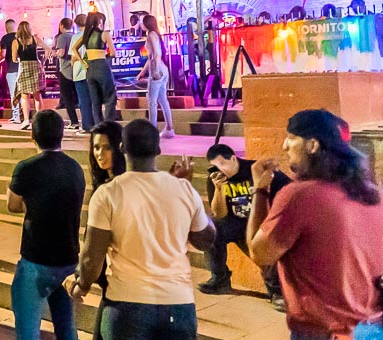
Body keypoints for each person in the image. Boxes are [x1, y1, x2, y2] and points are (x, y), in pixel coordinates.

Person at [65, 120, 216, 340]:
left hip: (126, 305)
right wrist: (191, 202)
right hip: (177, 304)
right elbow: (205, 239)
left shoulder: (108, 194)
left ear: (122, 148)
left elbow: (92, 256)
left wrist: (82, 285)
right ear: (158, 150)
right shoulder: (183, 189)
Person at [247, 110, 383, 339]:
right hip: (370, 328)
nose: (284, 145)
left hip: (324, 330)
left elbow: (260, 253)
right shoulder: (372, 193)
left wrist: (260, 190)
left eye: (291, 137)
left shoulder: (299, 196)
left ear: (312, 145)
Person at [8, 110, 86, 340]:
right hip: (68, 258)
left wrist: (34, 205)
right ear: (61, 134)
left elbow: (13, 204)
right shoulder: (75, 168)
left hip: (36, 259)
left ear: (33, 135)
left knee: (28, 328)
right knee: (66, 325)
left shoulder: (26, 168)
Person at [199, 143, 288, 309]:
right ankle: (219, 279)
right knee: (211, 228)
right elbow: (219, 213)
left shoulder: (254, 170)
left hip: (262, 222)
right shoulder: (215, 178)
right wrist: (219, 189)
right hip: (235, 222)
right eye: (216, 166)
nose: (221, 169)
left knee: (269, 247)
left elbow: (289, 189)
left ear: (233, 158)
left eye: (223, 164)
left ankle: (277, 292)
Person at [88, 120, 126, 340]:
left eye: (106, 147)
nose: (100, 154)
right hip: (110, 283)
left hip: (121, 282)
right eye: (96, 147)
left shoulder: (118, 187)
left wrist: (82, 281)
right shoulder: (104, 184)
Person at [71, 13, 117, 125]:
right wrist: (104, 56)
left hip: (89, 68)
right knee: (110, 97)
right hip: (101, 66)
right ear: (99, 21)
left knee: (95, 101)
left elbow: (74, 48)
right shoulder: (104, 34)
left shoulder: (86, 36)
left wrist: (82, 62)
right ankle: (109, 126)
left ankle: (98, 127)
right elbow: (113, 53)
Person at [137, 14, 175, 139]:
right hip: (163, 69)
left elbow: (156, 54)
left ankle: (152, 130)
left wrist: (156, 71)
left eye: (142, 22)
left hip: (157, 70)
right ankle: (169, 127)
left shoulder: (150, 35)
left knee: (152, 101)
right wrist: (142, 72)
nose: (140, 24)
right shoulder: (155, 34)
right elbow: (153, 56)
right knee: (162, 99)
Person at [11, 21, 43, 131]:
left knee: (24, 96)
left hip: (24, 67)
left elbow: (14, 59)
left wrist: (20, 59)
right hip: (36, 67)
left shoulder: (16, 41)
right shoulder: (34, 39)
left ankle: (26, 120)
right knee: (37, 95)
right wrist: (42, 60)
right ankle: (40, 120)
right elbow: (48, 49)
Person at [53, 18, 80, 131]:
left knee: (67, 98)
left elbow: (61, 53)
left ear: (61, 25)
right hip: (76, 69)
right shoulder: (75, 36)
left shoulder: (62, 37)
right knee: (78, 96)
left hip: (65, 70)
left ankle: (74, 122)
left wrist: (54, 53)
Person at [69, 14, 95, 133]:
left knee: (83, 100)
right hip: (92, 69)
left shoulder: (75, 37)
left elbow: (73, 56)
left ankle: (86, 125)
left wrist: (73, 63)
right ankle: (95, 123)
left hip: (79, 71)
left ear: (76, 24)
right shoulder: (92, 35)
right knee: (93, 99)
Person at [0, 18, 21, 125]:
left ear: (6, 27)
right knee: (22, 93)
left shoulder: (5, 38)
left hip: (11, 69)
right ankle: (23, 115)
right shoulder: (20, 36)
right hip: (21, 68)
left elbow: (3, 54)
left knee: (13, 93)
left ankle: (16, 116)